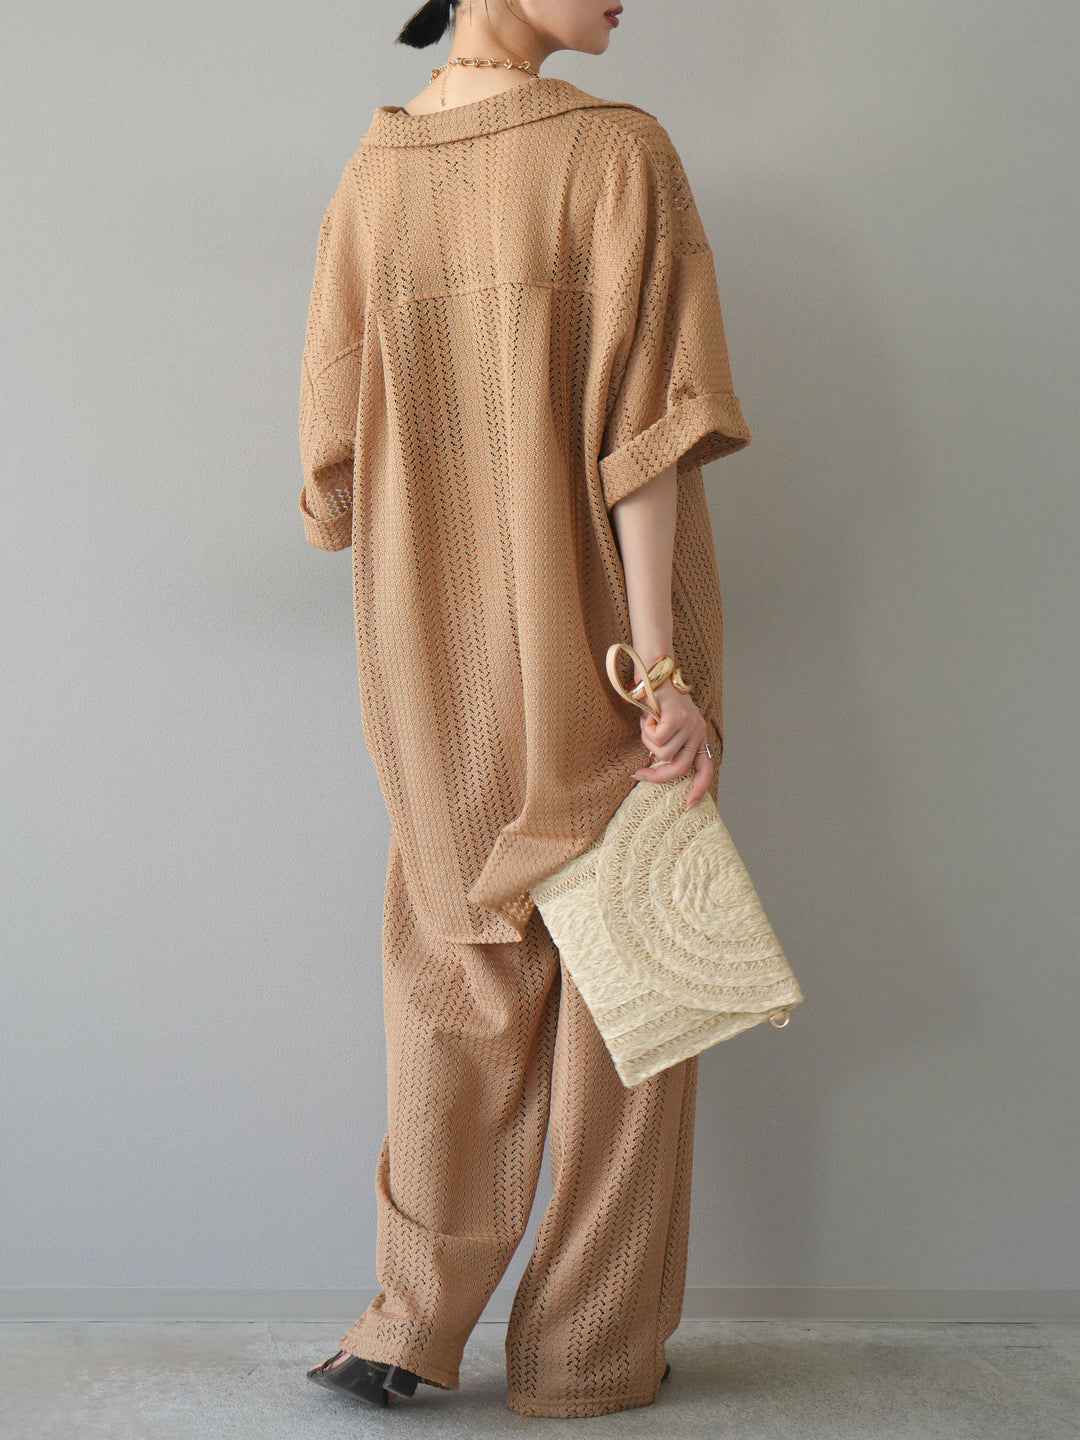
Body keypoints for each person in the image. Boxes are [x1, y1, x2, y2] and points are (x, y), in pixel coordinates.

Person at [298, 0, 751, 1419]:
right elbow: (649, 440)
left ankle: (406, 1322)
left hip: (426, 650)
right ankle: (586, 1352)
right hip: (603, 638)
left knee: (453, 967)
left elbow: (331, 469)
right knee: (633, 994)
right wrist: (658, 672)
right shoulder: (618, 154)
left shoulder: (371, 175)